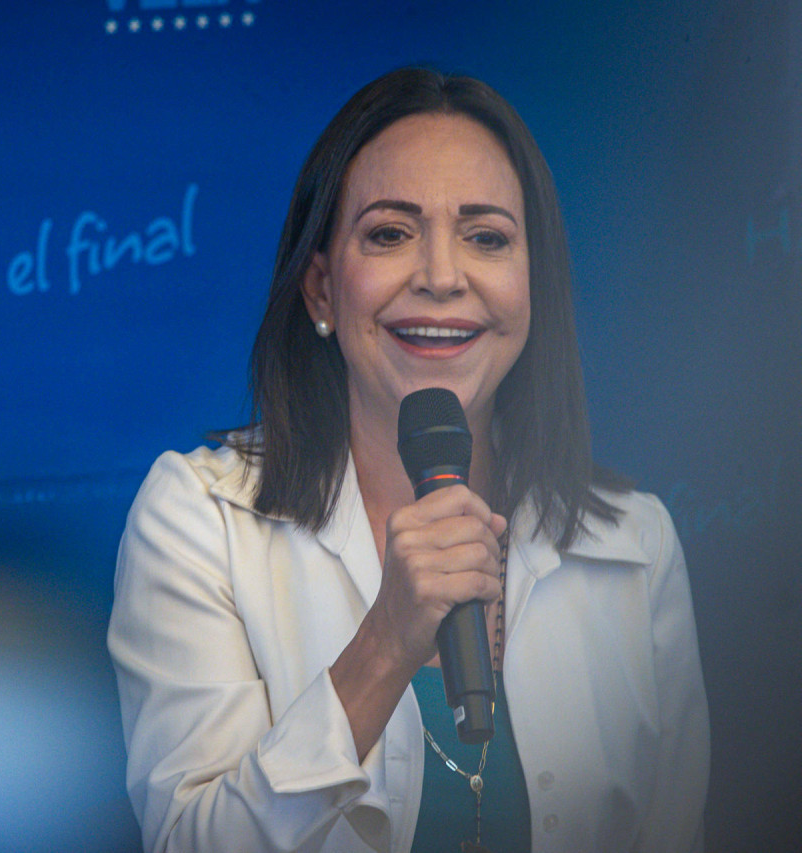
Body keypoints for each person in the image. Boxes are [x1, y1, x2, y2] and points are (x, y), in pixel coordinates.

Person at [107, 67, 710, 853]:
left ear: (532, 288)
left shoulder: (636, 543)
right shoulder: (197, 520)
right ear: (321, 289)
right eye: (390, 234)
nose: (440, 276)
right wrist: (387, 641)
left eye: (486, 237)